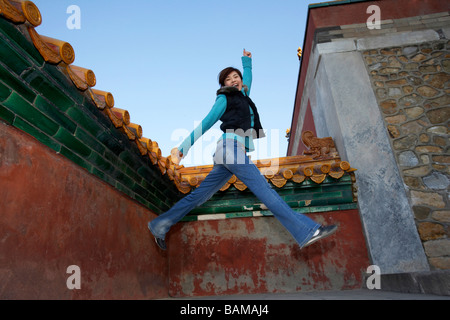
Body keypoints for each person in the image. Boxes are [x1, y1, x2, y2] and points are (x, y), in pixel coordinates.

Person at [148, 49, 337, 250]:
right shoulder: (224, 98)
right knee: (264, 190)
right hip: (229, 148)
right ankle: (306, 231)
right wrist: (182, 148)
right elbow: (206, 122)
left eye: (235, 77)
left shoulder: (243, 96)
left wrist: (247, 62)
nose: (234, 80)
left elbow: (247, 80)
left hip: (230, 153)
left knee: (200, 196)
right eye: (228, 79)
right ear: (223, 85)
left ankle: (159, 225)